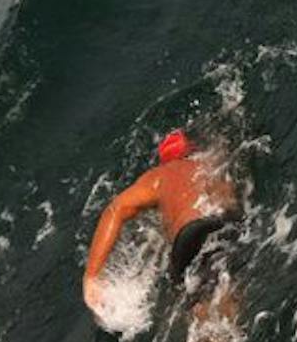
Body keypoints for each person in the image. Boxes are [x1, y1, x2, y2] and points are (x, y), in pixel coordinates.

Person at [82, 129, 243, 320]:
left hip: (184, 242)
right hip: (213, 226)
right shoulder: (207, 165)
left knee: (199, 309)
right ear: (191, 151)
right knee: (225, 292)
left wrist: (91, 275)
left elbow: (115, 210)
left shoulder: (157, 177)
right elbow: (229, 202)